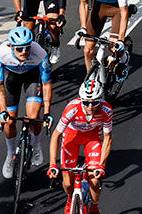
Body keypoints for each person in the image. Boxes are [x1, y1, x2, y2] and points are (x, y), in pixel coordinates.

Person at [0, 26, 53, 177]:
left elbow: (46, 85)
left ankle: (37, 145)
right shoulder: (1, 54)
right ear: (11, 46)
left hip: (32, 77)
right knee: (9, 121)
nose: (24, 52)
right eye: (19, 49)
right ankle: (10, 155)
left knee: (33, 116)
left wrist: (47, 113)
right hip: (11, 78)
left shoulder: (40, 53)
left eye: (27, 48)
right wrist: (2, 111)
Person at [48, 77, 113, 214]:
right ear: (81, 99)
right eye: (86, 102)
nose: (90, 106)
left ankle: (94, 207)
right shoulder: (72, 108)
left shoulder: (106, 110)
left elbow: (107, 137)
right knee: (67, 183)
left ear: (100, 99)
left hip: (93, 138)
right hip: (72, 137)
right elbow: (55, 136)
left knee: (94, 180)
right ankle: (71, 198)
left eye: (95, 102)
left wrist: (102, 165)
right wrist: (53, 164)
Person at [76, 0, 131, 73]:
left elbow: (124, 10)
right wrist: (83, 27)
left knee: (113, 46)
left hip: (116, 9)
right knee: (87, 50)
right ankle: (90, 78)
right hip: (99, 7)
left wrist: (121, 39)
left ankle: (124, 57)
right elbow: (84, 3)